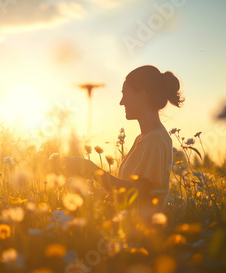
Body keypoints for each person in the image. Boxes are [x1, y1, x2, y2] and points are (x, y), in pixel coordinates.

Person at [63, 65, 184, 219]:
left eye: (125, 94)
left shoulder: (155, 140)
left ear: (141, 96)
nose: (121, 102)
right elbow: (130, 193)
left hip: (141, 233)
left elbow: (141, 194)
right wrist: (95, 194)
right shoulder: (144, 138)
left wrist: (93, 170)